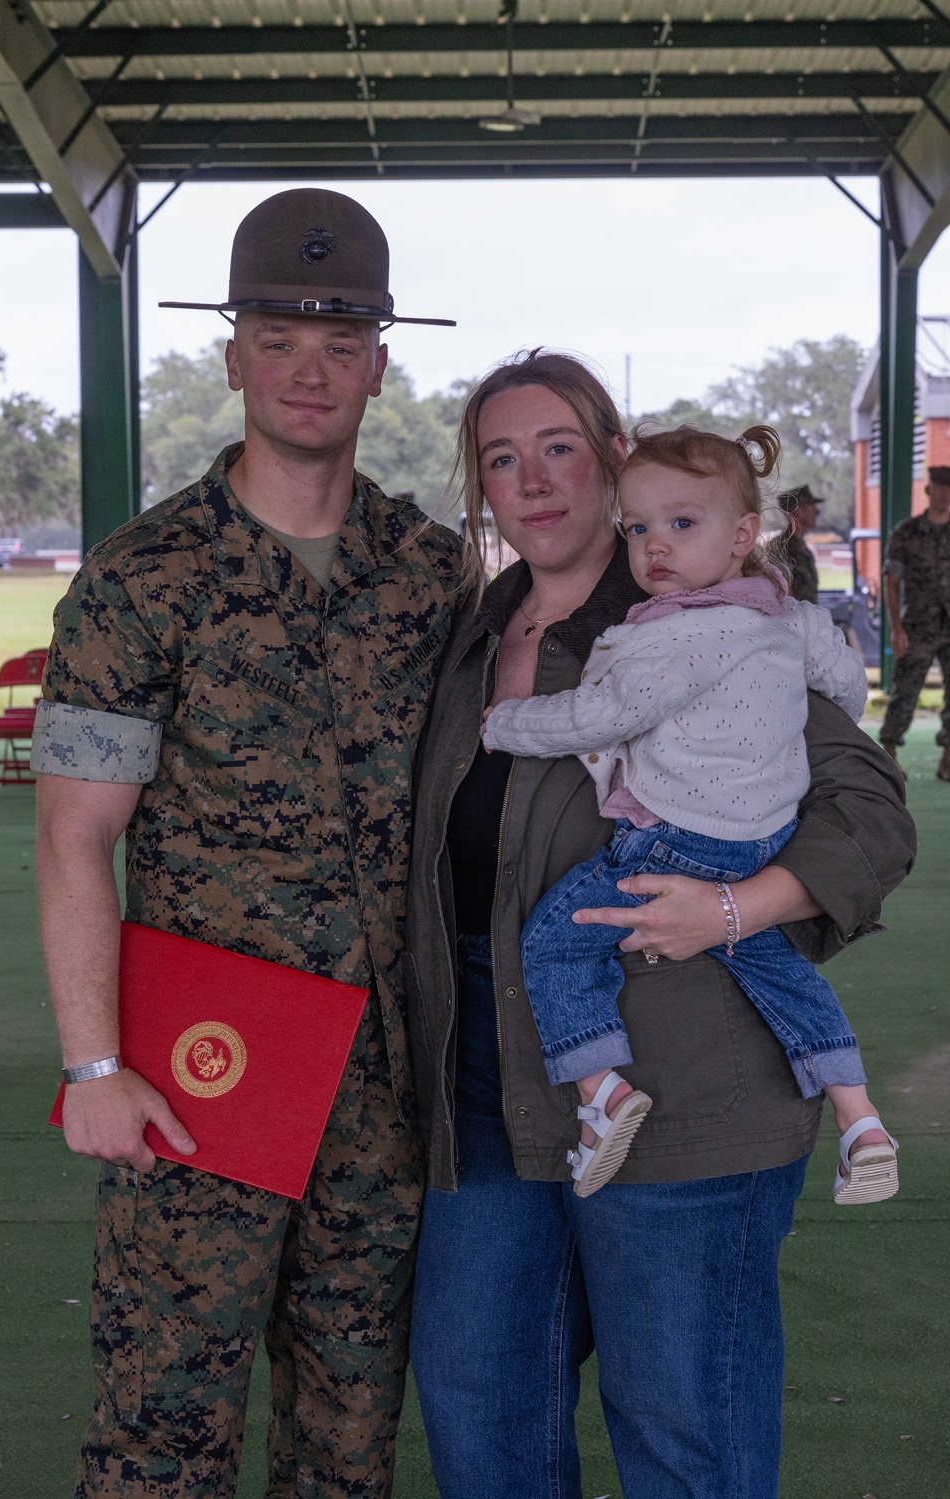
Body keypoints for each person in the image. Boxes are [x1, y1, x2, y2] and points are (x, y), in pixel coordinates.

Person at [404, 351, 916, 1499]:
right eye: (500, 456)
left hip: (689, 1079)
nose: (530, 479)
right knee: (477, 1403)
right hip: (485, 1080)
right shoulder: (464, 641)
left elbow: (870, 817)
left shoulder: (714, 624)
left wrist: (737, 905)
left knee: (683, 1427)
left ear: (614, 456)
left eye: (558, 448)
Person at [31, 188, 462, 1498]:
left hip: (382, 1097)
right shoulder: (142, 576)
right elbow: (71, 839)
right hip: (195, 1082)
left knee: (346, 1444)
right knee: (164, 1434)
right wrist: (93, 1061)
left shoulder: (434, 573)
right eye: (278, 338)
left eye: (340, 341)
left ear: (380, 360)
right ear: (233, 357)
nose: (309, 368)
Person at [482, 422, 897, 1205]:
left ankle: (601, 1087)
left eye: (680, 524)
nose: (655, 548)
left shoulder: (676, 635)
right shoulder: (786, 616)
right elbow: (845, 679)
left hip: (675, 841)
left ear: (744, 534)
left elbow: (598, 716)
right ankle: (860, 1113)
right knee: (779, 971)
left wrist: (503, 723)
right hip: (760, 834)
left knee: (562, 939)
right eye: (638, 528)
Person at [879, 464, 950, 780]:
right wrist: (897, 627)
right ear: (928, 490)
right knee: (905, 692)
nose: (945, 493)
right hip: (918, 627)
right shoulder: (906, 533)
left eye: (949, 487)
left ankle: (948, 758)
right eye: (939, 487)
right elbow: (891, 581)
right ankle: (890, 752)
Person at [778, 483, 822, 603]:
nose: (817, 512)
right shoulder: (781, 550)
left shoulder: (802, 548)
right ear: (798, 511)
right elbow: (783, 597)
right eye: (812, 506)